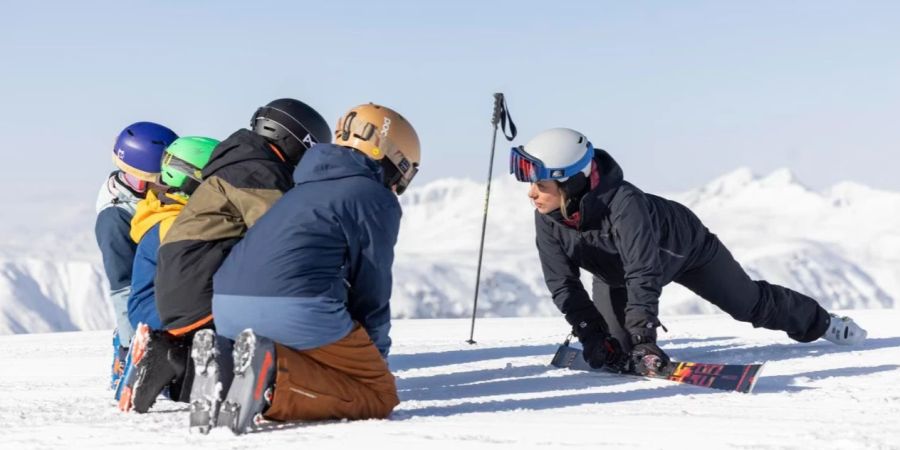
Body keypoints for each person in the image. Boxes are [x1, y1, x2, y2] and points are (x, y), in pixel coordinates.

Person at [509, 127, 867, 374]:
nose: (532, 193)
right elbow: (563, 284)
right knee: (615, 349)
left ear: (571, 182)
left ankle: (824, 323)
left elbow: (642, 271)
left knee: (748, 305)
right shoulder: (547, 216)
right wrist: (591, 333)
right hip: (618, 275)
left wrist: (644, 338)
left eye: (540, 184)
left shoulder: (625, 203)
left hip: (687, 251)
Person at [196, 103, 420, 435]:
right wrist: (374, 357)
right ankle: (271, 386)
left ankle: (226, 367)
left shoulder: (301, 187)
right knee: (378, 394)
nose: (398, 186)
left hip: (227, 307)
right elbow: (371, 284)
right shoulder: (372, 196)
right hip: (294, 307)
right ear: (390, 157)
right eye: (404, 173)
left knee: (315, 358)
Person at [124, 99, 331, 414]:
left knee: (192, 387)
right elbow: (285, 241)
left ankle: (173, 357)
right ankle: (260, 378)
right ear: (294, 142)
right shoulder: (259, 173)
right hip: (202, 291)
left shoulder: (240, 161)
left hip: (186, 294)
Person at [116, 136, 220, 410]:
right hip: (159, 310)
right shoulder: (175, 225)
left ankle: (173, 367)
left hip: (153, 305)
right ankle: (164, 356)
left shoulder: (168, 210)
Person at [95, 122, 177, 391]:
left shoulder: (146, 196)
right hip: (142, 292)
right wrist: (134, 343)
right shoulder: (115, 219)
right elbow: (122, 286)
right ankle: (124, 350)